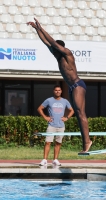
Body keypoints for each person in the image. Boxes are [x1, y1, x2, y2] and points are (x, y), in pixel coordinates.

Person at [27, 18, 92, 152]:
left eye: (55, 50)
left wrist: (41, 28)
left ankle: (87, 142)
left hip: (78, 85)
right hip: (72, 87)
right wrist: (36, 30)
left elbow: (51, 42)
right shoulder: (58, 56)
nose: (53, 52)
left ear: (60, 48)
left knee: (80, 113)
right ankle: (85, 141)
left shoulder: (67, 54)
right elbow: (46, 43)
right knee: (78, 116)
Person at [37, 85, 74, 166]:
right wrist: (45, 117)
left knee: (58, 143)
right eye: (56, 90)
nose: (57, 91)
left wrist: (66, 117)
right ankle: (44, 160)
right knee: (48, 142)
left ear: (61, 91)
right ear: (54, 91)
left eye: (59, 90)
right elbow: (39, 108)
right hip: (51, 125)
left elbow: (72, 110)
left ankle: (55, 160)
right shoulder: (49, 100)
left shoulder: (65, 101)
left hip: (61, 126)